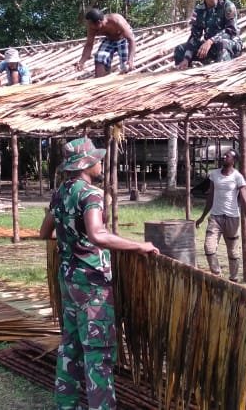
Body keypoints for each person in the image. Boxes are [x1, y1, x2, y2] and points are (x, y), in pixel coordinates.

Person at [38, 137, 159, 410]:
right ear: (87, 164)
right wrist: (138, 246)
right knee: (98, 352)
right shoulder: (90, 194)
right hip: (92, 283)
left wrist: (70, 239)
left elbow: (45, 233)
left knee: (70, 345)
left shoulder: (60, 193)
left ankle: (66, 404)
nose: (101, 163)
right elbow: (98, 234)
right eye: (97, 159)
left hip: (68, 279)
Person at [194, 149, 246, 282]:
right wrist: (202, 217)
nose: (224, 156)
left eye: (228, 156)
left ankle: (233, 278)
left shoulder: (238, 177)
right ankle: (217, 274)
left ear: (234, 160)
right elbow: (210, 197)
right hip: (215, 217)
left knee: (233, 251)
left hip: (232, 218)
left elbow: (244, 201)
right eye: (224, 155)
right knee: (209, 247)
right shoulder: (214, 174)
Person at [174, 0, 242, 69]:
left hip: (231, 44)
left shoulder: (228, 6)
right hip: (210, 47)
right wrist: (186, 58)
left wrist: (211, 41)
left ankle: (221, 74)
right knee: (180, 49)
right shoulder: (199, 10)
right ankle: (184, 74)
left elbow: (231, 31)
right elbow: (195, 36)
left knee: (222, 44)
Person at [74, 8, 137, 77]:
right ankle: (99, 82)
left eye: (90, 24)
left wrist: (130, 59)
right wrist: (81, 62)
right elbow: (89, 44)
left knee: (126, 65)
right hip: (109, 40)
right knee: (99, 57)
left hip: (123, 39)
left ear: (98, 22)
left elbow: (131, 39)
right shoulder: (92, 27)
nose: (89, 26)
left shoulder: (116, 20)